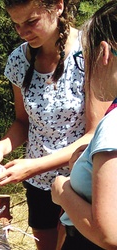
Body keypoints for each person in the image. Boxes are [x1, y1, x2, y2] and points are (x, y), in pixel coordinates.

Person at [0, 0, 110, 249]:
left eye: (31, 22)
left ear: (58, 7)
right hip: (38, 185)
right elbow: (22, 122)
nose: (23, 32)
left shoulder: (90, 54)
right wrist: (0, 149)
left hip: (80, 184)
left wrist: (34, 167)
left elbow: (94, 136)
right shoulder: (19, 60)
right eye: (16, 24)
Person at [52, 1, 117, 249]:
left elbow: (110, 235)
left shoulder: (113, 126)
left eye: (83, 57)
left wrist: (63, 193)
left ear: (104, 53)